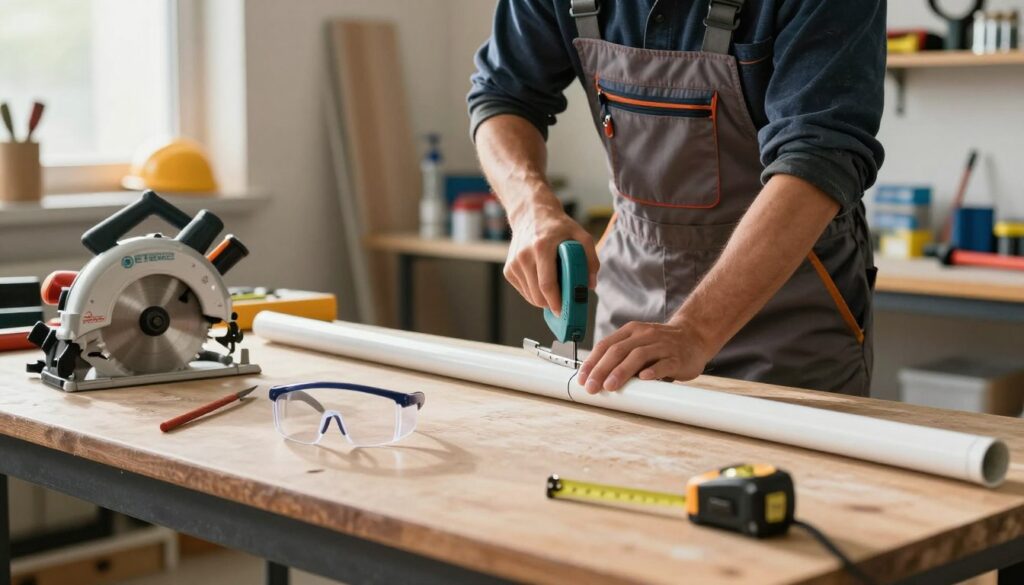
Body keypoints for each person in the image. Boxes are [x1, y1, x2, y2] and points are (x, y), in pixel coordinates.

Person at [469, 0, 885, 396]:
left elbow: (818, 156)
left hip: (789, 313)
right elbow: (502, 96)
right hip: (629, 297)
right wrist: (530, 210)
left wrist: (697, 330)